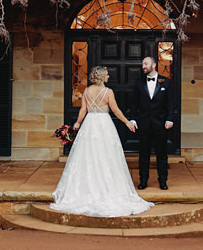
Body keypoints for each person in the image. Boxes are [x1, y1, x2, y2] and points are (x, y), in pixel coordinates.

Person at [50, 66, 153, 217]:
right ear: (101, 76)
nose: (109, 76)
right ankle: (107, 187)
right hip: (104, 125)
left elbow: (83, 110)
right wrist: (127, 123)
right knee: (107, 155)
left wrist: (78, 123)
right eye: (107, 74)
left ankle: (86, 188)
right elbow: (116, 111)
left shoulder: (87, 91)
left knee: (87, 155)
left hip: (90, 124)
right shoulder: (108, 92)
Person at [130, 56, 174, 190]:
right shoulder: (138, 83)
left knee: (162, 155)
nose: (143, 66)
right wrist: (133, 119)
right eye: (143, 64)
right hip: (143, 124)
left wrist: (170, 118)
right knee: (144, 154)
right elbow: (134, 103)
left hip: (160, 124)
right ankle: (143, 180)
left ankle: (163, 181)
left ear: (154, 65)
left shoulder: (165, 82)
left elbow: (170, 103)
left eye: (146, 63)